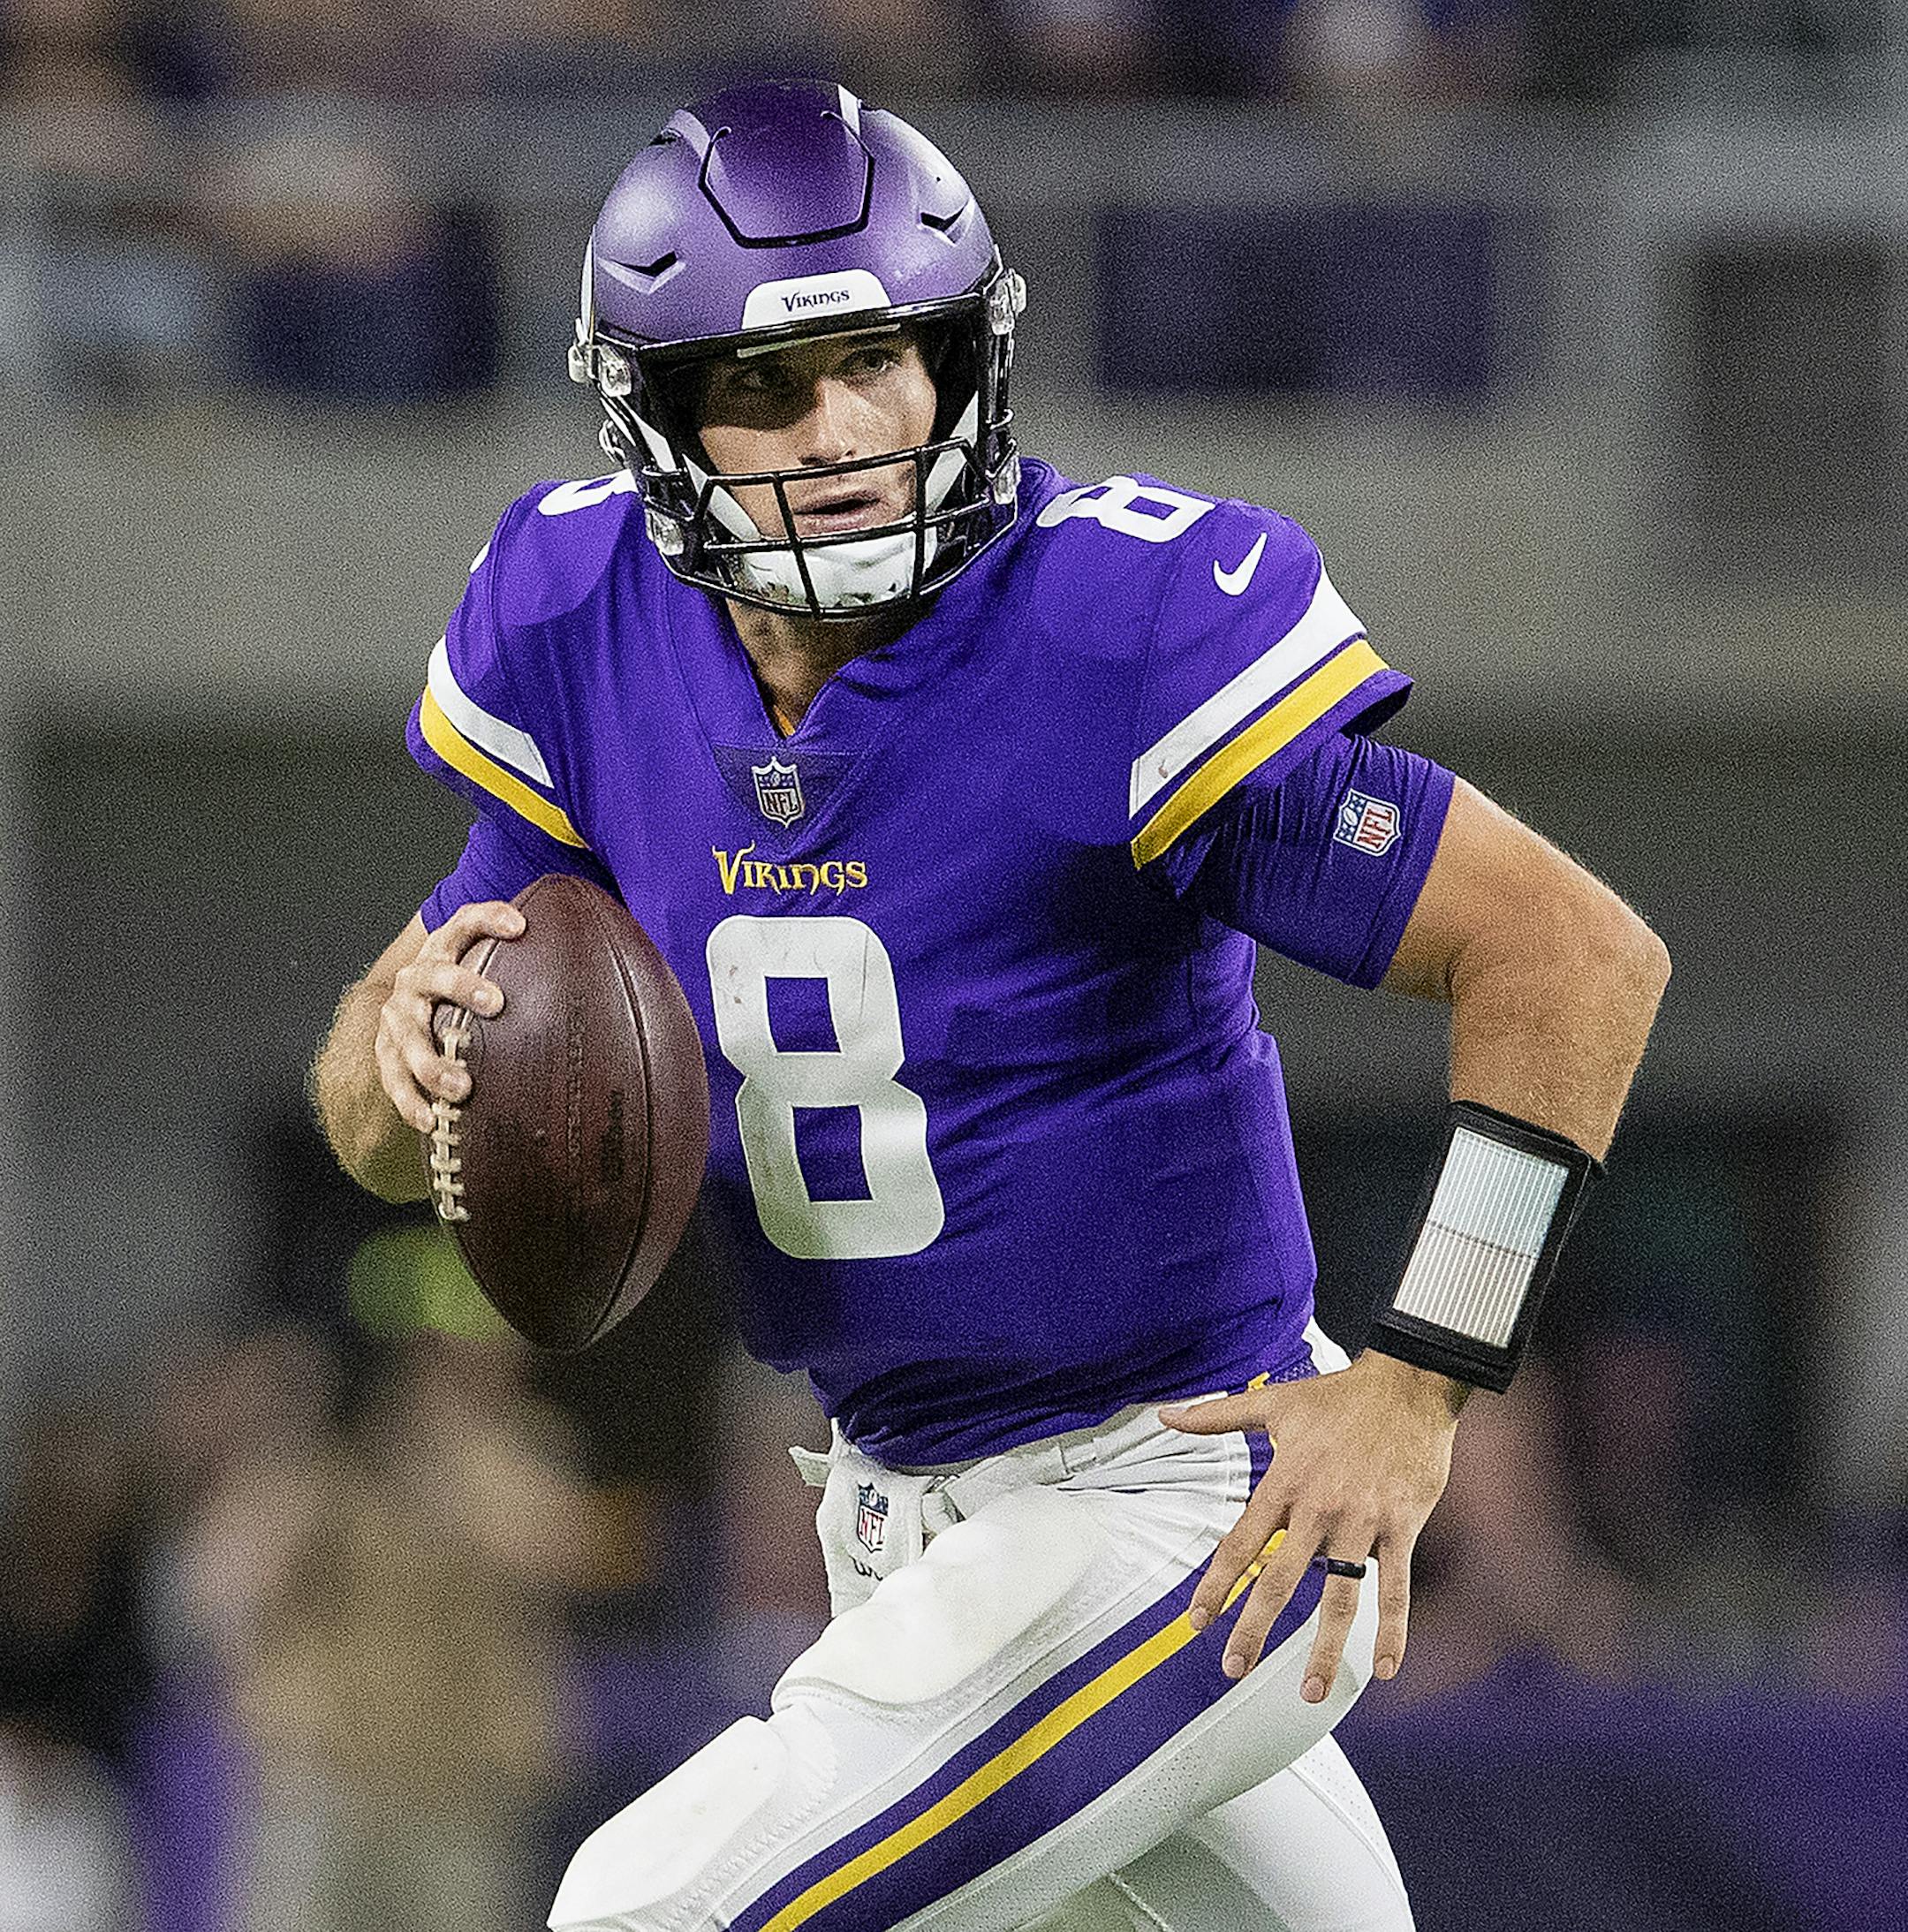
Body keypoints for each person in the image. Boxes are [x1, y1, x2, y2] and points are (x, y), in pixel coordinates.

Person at [311, 80, 1669, 1932]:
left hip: (1182, 1512)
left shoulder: (1110, 626)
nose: (855, 427)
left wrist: (1425, 1382)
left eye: (887, 358)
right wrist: (404, 1053)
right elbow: (383, 1106)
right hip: (900, 1522)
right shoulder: (581, 623)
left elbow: (1575, 954)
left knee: (646, 1909)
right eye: (775, 385)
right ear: (656, 416)